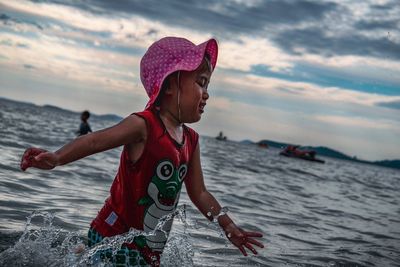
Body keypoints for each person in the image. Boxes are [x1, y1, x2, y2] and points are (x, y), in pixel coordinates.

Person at [20, 37, 264, 266]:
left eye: (207, 84)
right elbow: (95, 141)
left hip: (146, 248)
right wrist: (57, 157)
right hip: (113, 235)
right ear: (170, 84)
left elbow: (199, 193)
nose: (207, 93)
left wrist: (228, 225)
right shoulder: (143, 125)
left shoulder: (191, 140)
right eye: (201, 82)